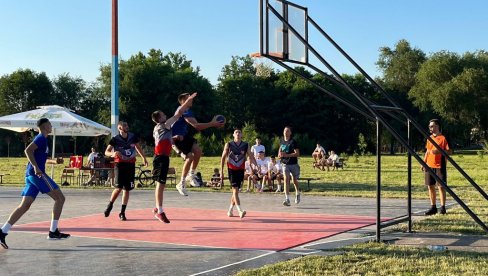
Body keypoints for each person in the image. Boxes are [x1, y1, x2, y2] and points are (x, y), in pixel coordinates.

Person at [1, 118, 69, 249]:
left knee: (25, 206)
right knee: (60, 198)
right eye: (49, 124)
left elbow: (39, 157)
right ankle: (53, 232)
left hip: (31, 175)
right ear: (44, 127)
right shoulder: (40, 138)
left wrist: (53, 161)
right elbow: (28, 150)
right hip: (37, 175)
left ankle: (2, 231)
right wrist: (36, 167)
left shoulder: (43, 140)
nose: (51, 126)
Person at [151, 93, 196, 223]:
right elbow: (178, 114)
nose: (166, 115)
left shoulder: (162, 128)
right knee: (160, 184)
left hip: (163, 157)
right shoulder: (163, 125)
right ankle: (160, 211)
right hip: (160, 158)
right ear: (159, 118)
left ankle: (157, 208)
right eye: (163, 115)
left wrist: (176, 141)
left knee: (161, 185)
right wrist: (187, 101)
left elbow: (167, 141)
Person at [171, 92, 224, 196]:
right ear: (183, 101)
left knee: (198, 151)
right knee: (190, 157)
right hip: (177, 138)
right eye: (189, 98)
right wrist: (212, 124)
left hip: (185, 137)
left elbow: (197, 125)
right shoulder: (182, 110)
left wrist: (210, 124)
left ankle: (191, 174)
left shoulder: (188, 111)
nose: (191, 100)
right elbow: (197, 126)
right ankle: (181, 183)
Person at [103, 121, 148, 221]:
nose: (127, 127)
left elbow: (138, 147)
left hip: (130, 164)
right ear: (119, 128)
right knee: (118, 188)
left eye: (127, 125)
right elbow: (106, 151)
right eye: (124, 125)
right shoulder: (115, 139)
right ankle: (110, 205)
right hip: (120, 164)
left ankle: (122, 212)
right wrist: (113, 153)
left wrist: (144, 158)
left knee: (127, 189)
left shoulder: (132, 136)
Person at [220, 128, 257, 218]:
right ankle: (240, 211)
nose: (238, 133)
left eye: (239, 132)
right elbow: (223, 158)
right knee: (235, 190)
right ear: (233, 134)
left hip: (241, 169)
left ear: (241, 135)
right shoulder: (228, 144)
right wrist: (221, 171)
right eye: (236, 132)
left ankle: (230, 210)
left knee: (235, 192)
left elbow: (251, 156)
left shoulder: (246, 145)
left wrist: (256, 166)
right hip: (231, 169)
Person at [422, 119, 452, 216]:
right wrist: (424, 163)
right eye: (429, 126)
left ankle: (442, 208)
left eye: (432, 126)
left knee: (441, 187)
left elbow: (450, 151)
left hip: (440, 165)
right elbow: (427, 151)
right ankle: (433, 207)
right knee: (430, 186)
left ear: (437, 126)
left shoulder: (443, 138)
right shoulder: (429, 138)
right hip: (429, 165)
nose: (430, 128)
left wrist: (438, 151)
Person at [278, 126, 301, 206]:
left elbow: (297, 153)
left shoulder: (293, 141)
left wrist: (287, 155)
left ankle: (297, 192)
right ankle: (287, 199)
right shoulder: (281, 140)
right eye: (285, 130)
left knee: (294, 180)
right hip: (285, 164)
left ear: (290, 133)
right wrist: (280, 154)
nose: (286, 132)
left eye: (287, 131)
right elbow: (280, 149)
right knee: (286, 179)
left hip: (293, 164)